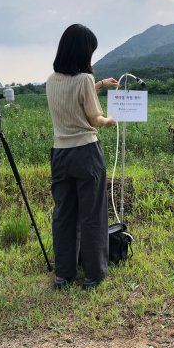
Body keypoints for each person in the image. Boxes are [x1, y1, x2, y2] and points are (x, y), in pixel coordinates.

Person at [46, 24, 119, 290]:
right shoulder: (84, 80)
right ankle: (93, 275)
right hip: (86, 152)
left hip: (60, 154)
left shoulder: (52, 80)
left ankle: (63, 275)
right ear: (83, 53)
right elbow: (94, 118)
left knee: (64, 214)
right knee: (92, 215)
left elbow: (73, 96)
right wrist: (110, 119)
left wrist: (99, 84)